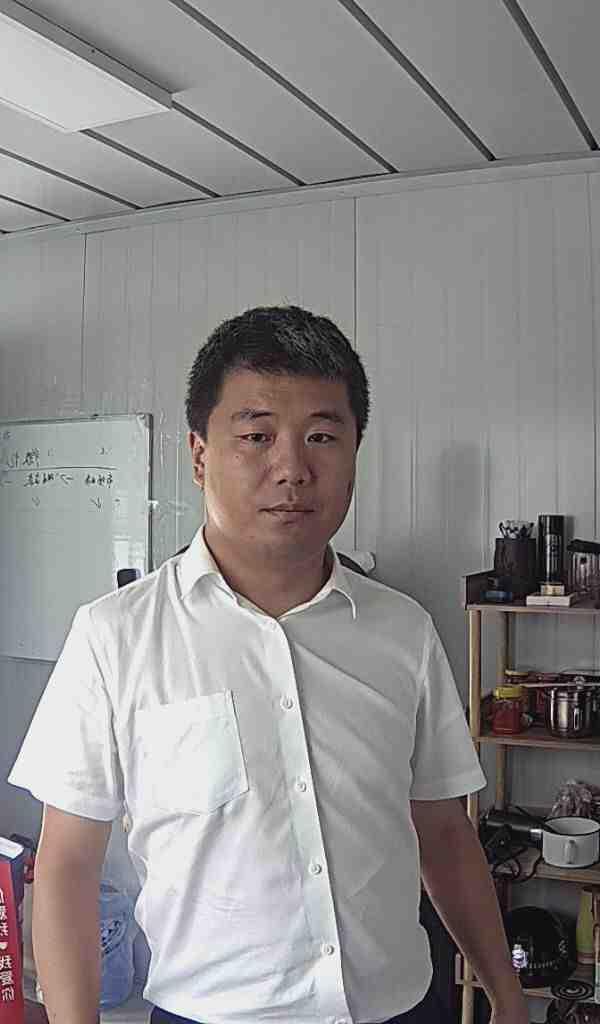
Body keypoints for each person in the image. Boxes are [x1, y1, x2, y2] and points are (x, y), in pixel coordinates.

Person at [8, 305, 528, 1024]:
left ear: (354, 451)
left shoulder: (403, 631)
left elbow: (443, 831)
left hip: (403, 1007)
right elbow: (67, 865)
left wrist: (505, 991)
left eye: (322, 436)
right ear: (200, 455)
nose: (293, 469)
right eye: (257, 436)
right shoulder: (115, 637)